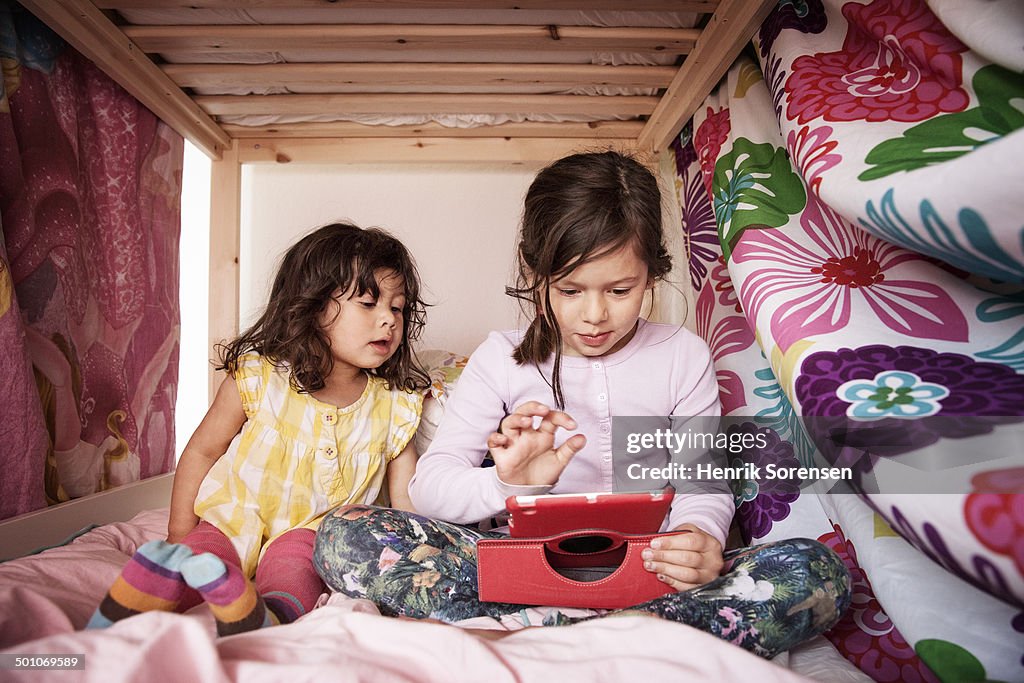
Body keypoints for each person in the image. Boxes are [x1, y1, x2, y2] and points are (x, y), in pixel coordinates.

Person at [313, 152, 850, 658]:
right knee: (344, 535)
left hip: (646, 573)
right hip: (518, 571)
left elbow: (700, 481)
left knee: (818, 573)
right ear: (535, 273)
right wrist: (510, 484)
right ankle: (616, 637)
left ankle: (538, 633)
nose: (594, 315)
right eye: (570, 290)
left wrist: (699, 538)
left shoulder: (681, 355)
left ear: (651, 275)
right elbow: (431, 488)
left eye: (619, 290)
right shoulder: (501, 358)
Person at [88, 223, 430, 636]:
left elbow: (407, 500)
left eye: (397, 308)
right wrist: (181, 530)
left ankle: (268, 616)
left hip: (312, 531)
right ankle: (141, 605)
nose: (389, 321)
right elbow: (202, 451)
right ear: (313, 306)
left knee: (296, 572)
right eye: (369, 304)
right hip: (233, 516)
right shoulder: (261, 378)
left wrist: (416, 559)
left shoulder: (394, 405)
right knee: (202, 557)